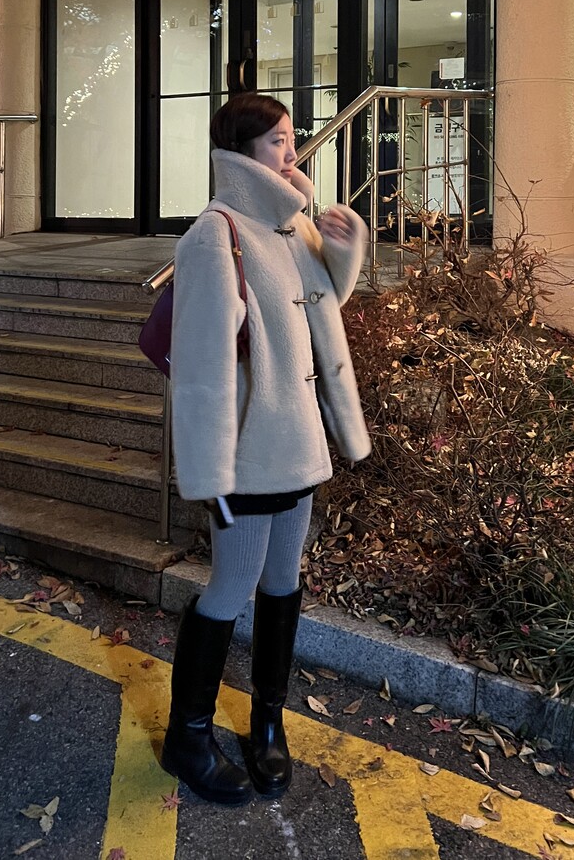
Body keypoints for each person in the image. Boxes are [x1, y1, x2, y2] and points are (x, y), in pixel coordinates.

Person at [161, 92, 372, 806]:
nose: (292, 151)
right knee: (230, 587)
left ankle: (267, 722)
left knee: (283, 581)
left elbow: (317, 312)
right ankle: (188, 736)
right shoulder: (214, 235)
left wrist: (341, 249)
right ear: (244, 150)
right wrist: (209, 471)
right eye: (278, 140)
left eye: (291, 138)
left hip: (297, 443)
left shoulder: (292, 225)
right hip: (248, 454)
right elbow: (201, 369)